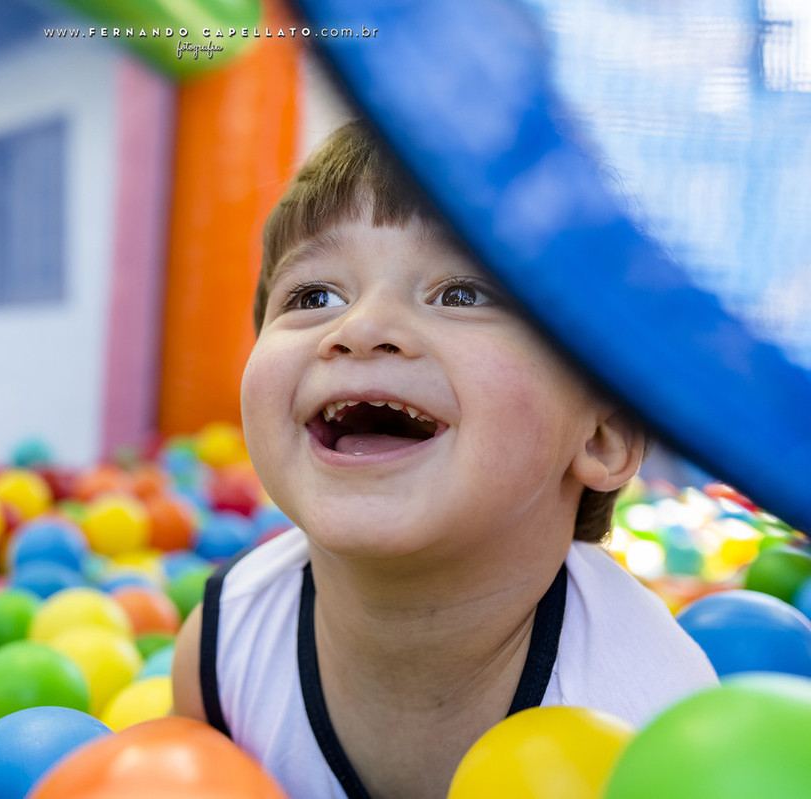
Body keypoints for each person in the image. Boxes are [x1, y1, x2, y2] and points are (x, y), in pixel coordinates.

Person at [170, 120, 718, 799]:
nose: (361, 328)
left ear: (602, 432)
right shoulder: (223, 647)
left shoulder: (651, 723)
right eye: (314, 296)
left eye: (462, 294)